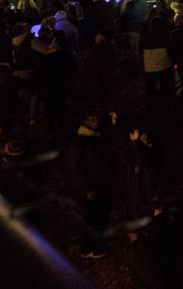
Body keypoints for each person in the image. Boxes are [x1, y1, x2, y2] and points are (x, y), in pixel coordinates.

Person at [70, 110, 116, 258]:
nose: (95, 121)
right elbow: (76, 169)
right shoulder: (80, 141)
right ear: (85, 121)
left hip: (103, 183)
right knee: (93, 217)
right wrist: (86, 189)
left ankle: (93, 245)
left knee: (102, 213)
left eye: (96, 118)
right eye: (91, 119)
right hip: (92, 187)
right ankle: (91, 246)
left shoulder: (99, 135)